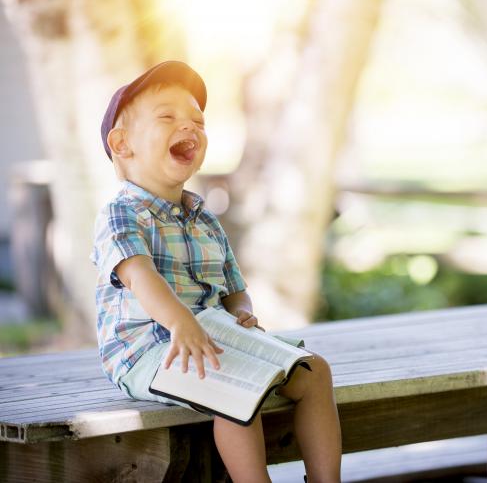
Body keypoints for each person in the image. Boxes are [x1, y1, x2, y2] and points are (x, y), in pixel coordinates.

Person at [91, 61, 342, 482]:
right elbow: (140, 276)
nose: (188, 127)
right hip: (148, 349)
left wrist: (241, 310)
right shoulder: (121, 213)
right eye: (168, 117)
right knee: (234, 389)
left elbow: (233, 287)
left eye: (197, 121)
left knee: (315, 372)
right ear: (122, 144)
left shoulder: (203, 216)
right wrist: (181, 322)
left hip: (212, 334)